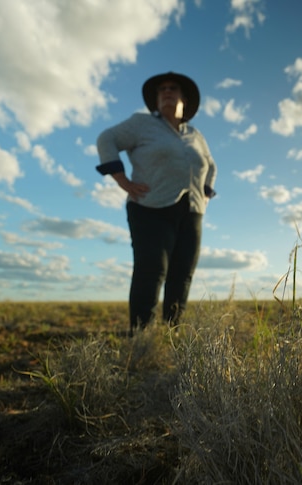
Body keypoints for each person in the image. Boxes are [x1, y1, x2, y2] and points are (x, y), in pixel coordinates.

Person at [95, 72, 217, 334]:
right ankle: (141, 338)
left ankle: (171, 334)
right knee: (151, 271)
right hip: (149, 207)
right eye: (162, 89)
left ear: (185, 99)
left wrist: (204, 195)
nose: (167, 92)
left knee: (182, 273)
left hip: (192, 211)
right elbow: (107, 138)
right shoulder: (141, 124)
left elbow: (211, 165)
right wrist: (121, 179)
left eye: (173, 88)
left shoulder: (195, 135)